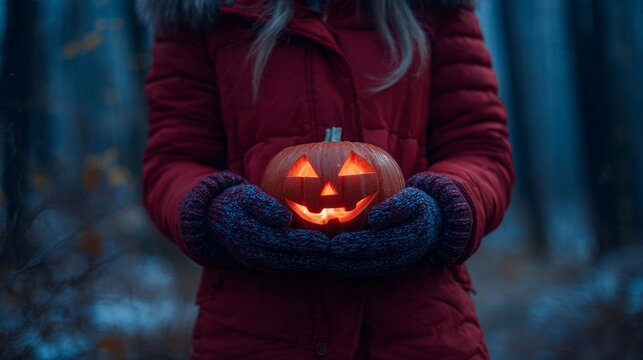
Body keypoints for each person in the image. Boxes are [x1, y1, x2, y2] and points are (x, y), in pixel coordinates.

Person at [138, 0, 514, 358]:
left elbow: (480, 149)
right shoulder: (200, 12)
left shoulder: (434, 7)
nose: (330, 192)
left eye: (348, 175)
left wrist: (443, 208)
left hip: (419, 328)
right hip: (255, 329)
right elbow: (173, 161)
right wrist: (212, 211)